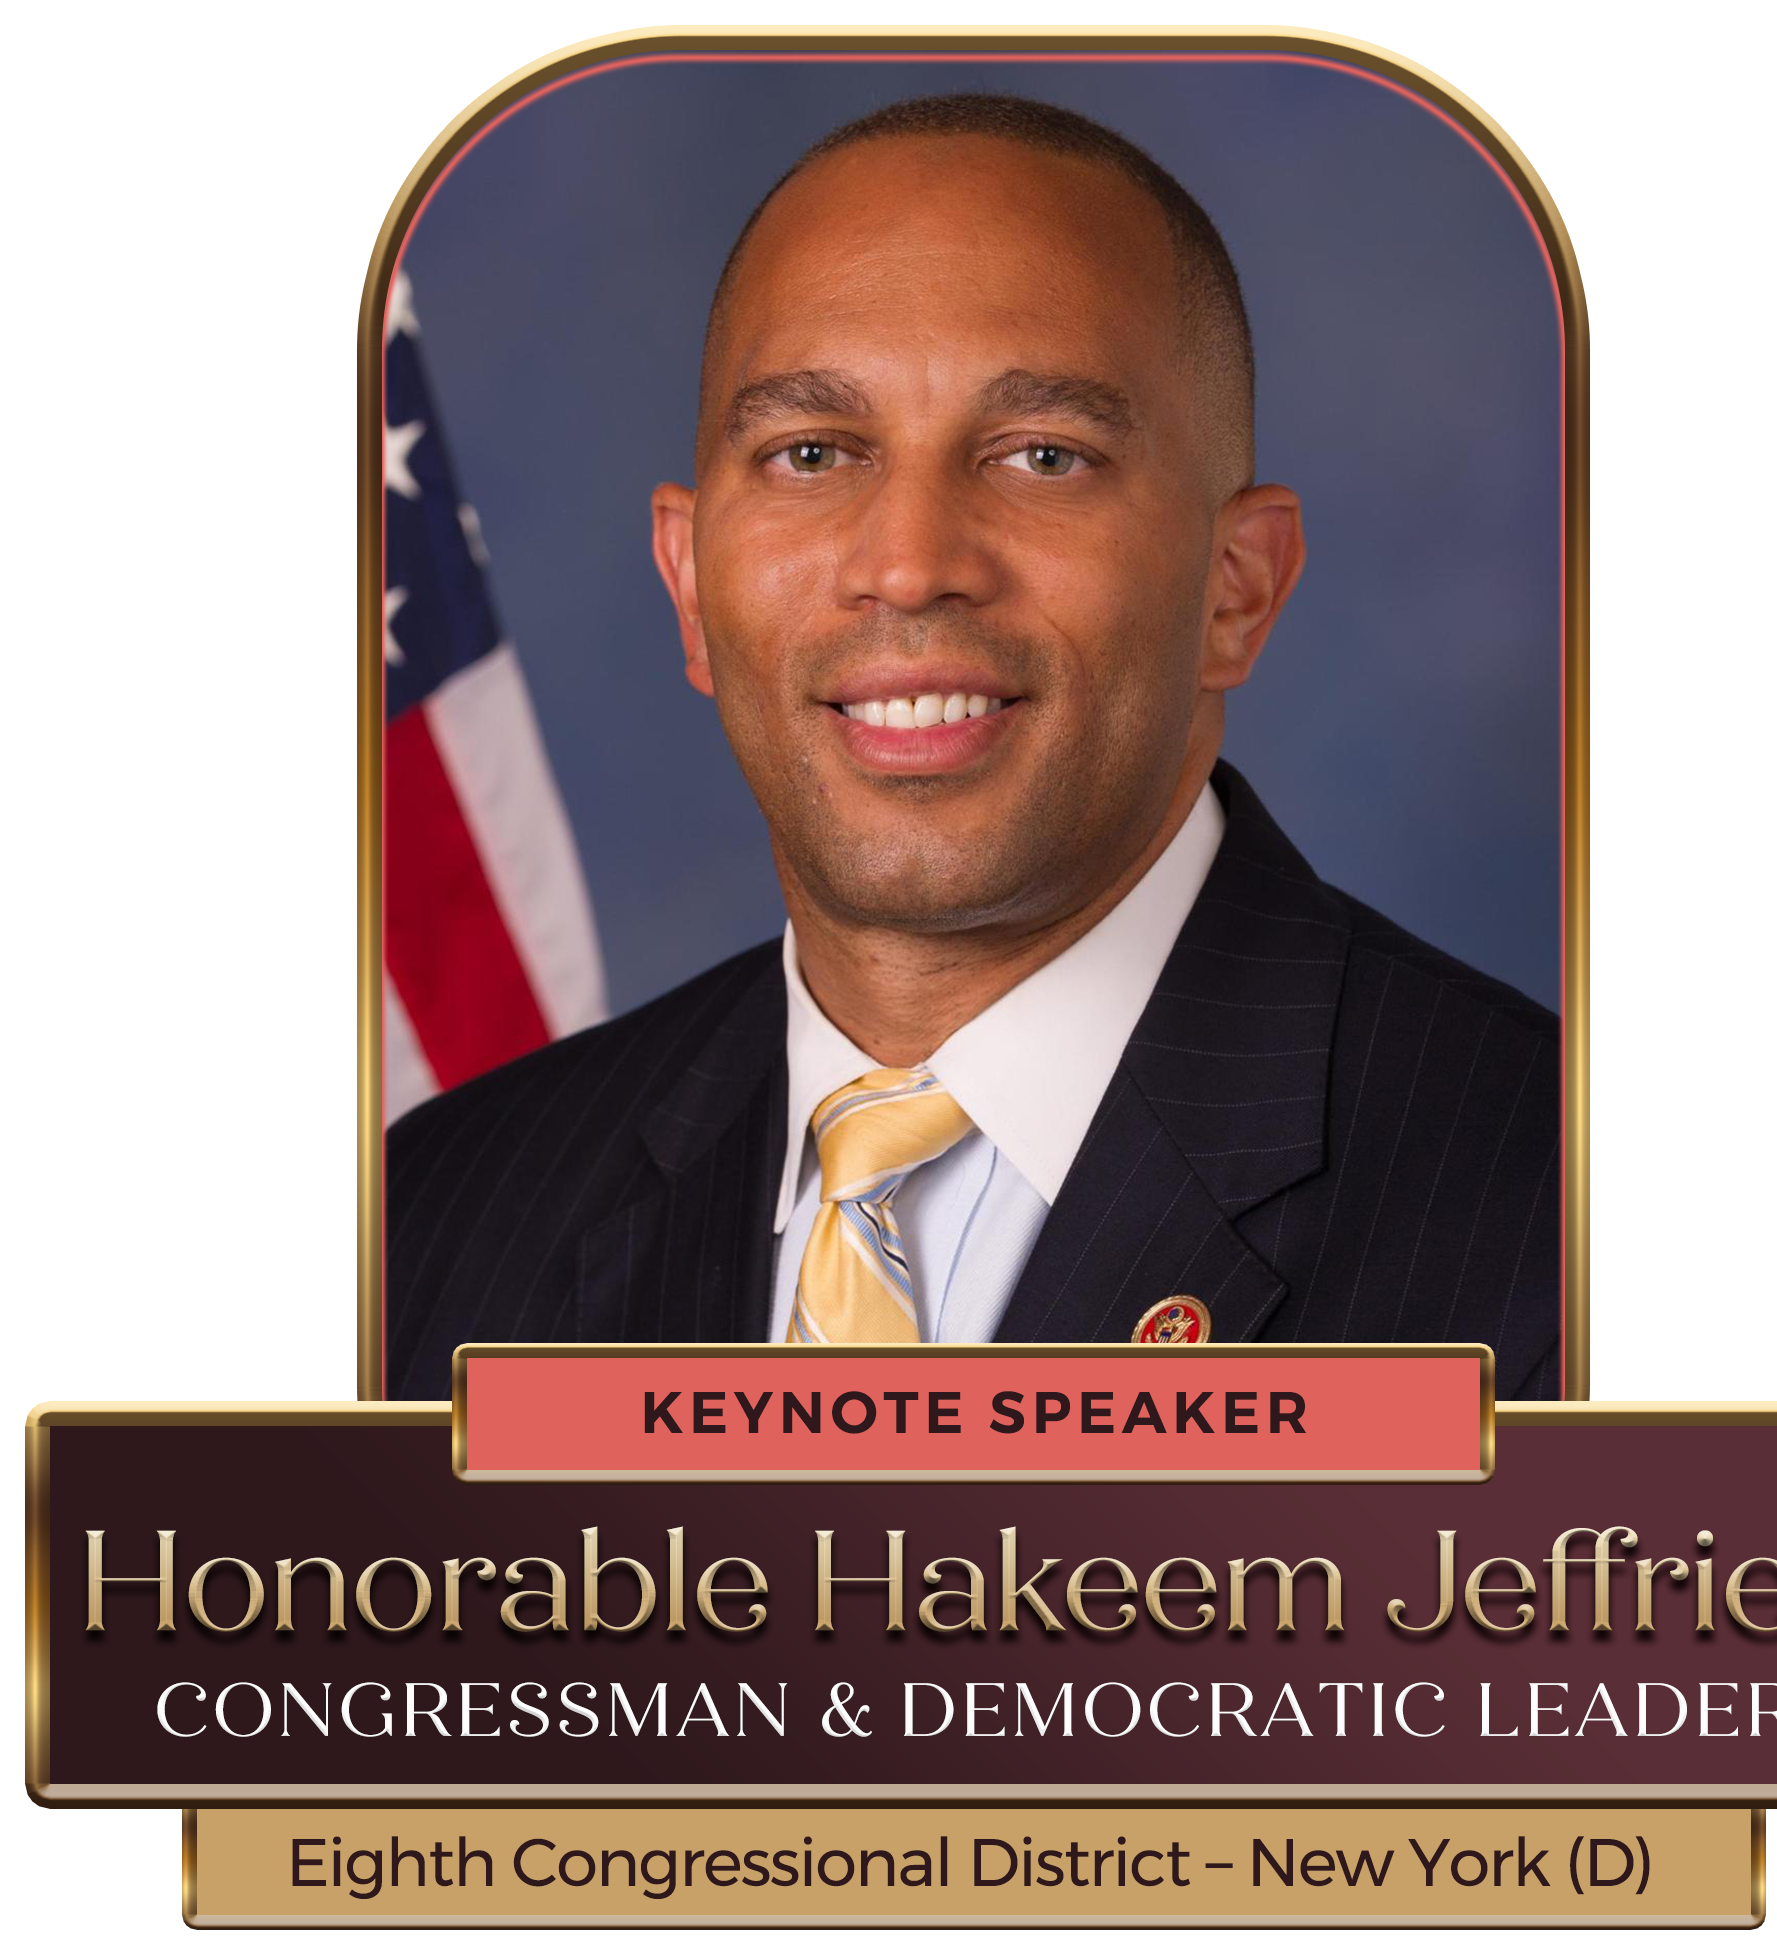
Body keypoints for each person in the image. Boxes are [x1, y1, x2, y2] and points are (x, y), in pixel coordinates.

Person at [385, 93, 1561, 1400]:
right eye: (811, 452)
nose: (907, 564)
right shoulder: (433, 1224)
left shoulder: (1565, 1231)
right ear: (690, 582)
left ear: (1235, 587)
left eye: (1042, 456)